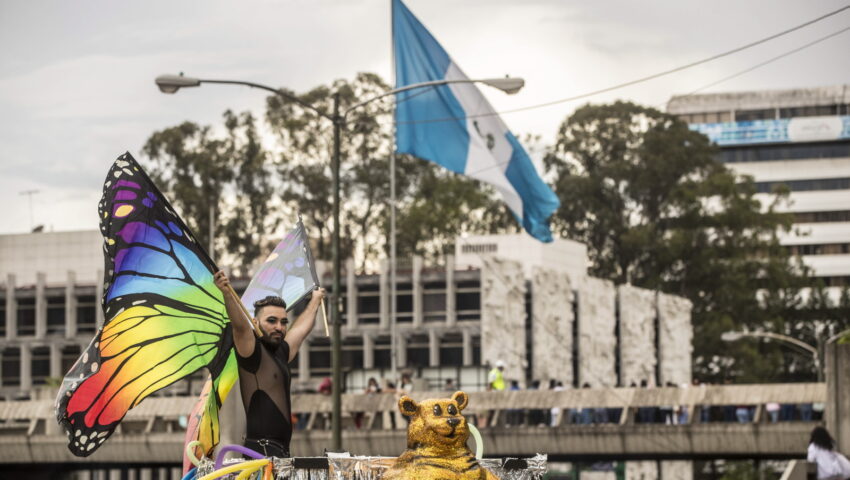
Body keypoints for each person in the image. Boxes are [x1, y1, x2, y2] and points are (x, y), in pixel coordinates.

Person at [214, 270, 325, 458]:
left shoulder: (282, 352)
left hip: (281, 453)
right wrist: (226, 293)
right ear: (255, 323)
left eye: (283, 322)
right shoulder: (251, 350)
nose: (279, 327)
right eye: (271, 321)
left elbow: (301, 329)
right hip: (259, 453)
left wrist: (315, 300)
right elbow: (240, 327)